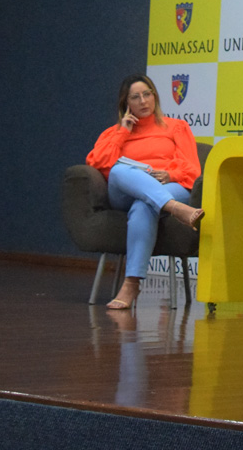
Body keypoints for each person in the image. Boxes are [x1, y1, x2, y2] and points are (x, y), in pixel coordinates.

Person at [86, 74, 204, 309]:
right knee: (120, 169)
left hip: (168, 185)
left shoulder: (176, 127)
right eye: (135, 97)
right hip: (126, 192)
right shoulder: (113, 133)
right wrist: (122, 133)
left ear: (155, 97)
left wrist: (169, 175)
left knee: (144, 206)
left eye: (147, 94)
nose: (143, 101)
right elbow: (97, 163)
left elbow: (192, 168)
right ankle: (175, 209)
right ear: (126, 103)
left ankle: (131, 284)